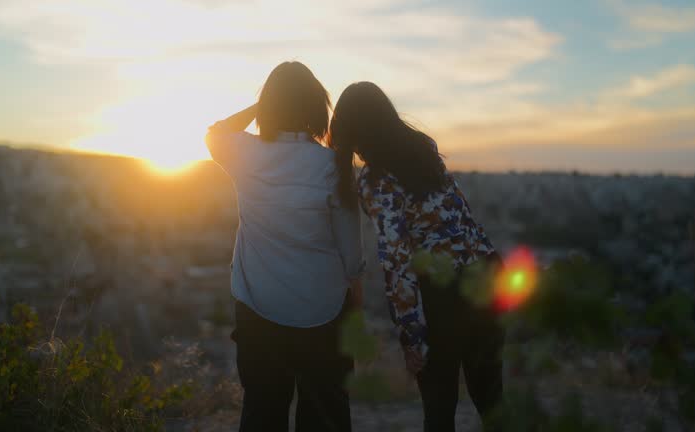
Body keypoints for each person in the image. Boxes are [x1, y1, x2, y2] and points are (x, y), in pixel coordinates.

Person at [329, 81, 505, 431]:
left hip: (442, 293)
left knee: (439, 407)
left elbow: (397, 260)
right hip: (484, 276)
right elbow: (463, 219)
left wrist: (412, 334)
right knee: (491, 398)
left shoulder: (376, 180)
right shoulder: (423, 149)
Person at [205, 62, 365, 432]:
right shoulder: (332, 165)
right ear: (316, 107)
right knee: (325, 415)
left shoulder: (245, 153)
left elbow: (215, 133)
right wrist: (355, 295)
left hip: (259, 307)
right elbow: (350, 250)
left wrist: (259, 108)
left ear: (267, 108)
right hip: (323, 311)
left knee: (263, 411)